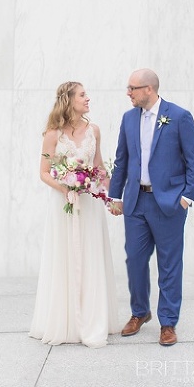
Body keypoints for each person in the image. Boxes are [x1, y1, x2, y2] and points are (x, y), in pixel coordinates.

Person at [107, 68, 194, 346]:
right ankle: (140, 312)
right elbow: (122, 159)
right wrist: (115, 197)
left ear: (149, 89)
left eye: (132, 88)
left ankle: (168, 322)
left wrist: (187, 198)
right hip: (136, 202)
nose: (128, 93)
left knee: (169, 264)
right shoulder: (128, 119)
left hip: (169, 203)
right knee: (134, 260)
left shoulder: (179, 117)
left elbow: (193, 161)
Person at [28, 81, 118, 348]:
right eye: (82, 95)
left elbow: (99, 168)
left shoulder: (95, 131)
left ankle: (92, 318)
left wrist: (111, 198)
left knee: (90, 256)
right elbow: (44, 172)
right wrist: (67, 186)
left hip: (89, 205)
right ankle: (66, 321)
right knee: (65, 256)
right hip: (64, 205)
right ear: (69, 100)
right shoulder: (52, 135)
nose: (88, 98)